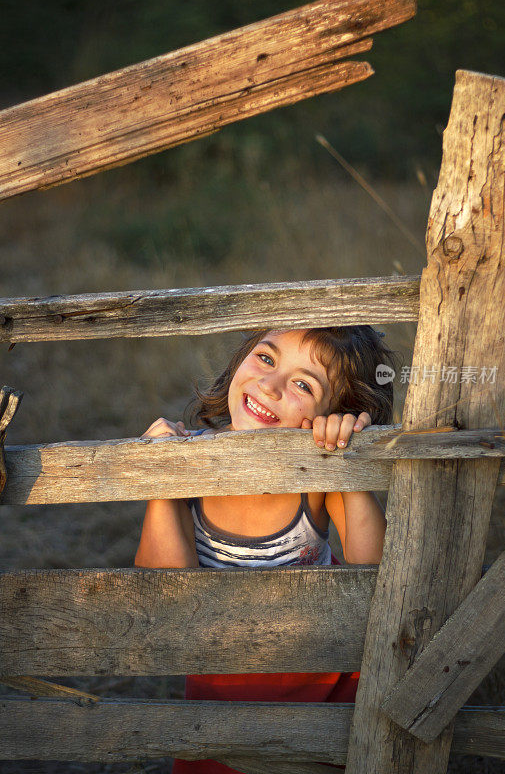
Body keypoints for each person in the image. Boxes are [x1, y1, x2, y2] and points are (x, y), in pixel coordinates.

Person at [134, 326, 397, 774]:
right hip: (219, 701)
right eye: (266, 359)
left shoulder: (315, 476)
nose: (269, 386)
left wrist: (345, 458)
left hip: (322, 694)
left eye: (303, 384)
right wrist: (163, 477)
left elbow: (375, 567)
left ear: (333, 412)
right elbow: (163, 593)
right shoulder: (191, 464)